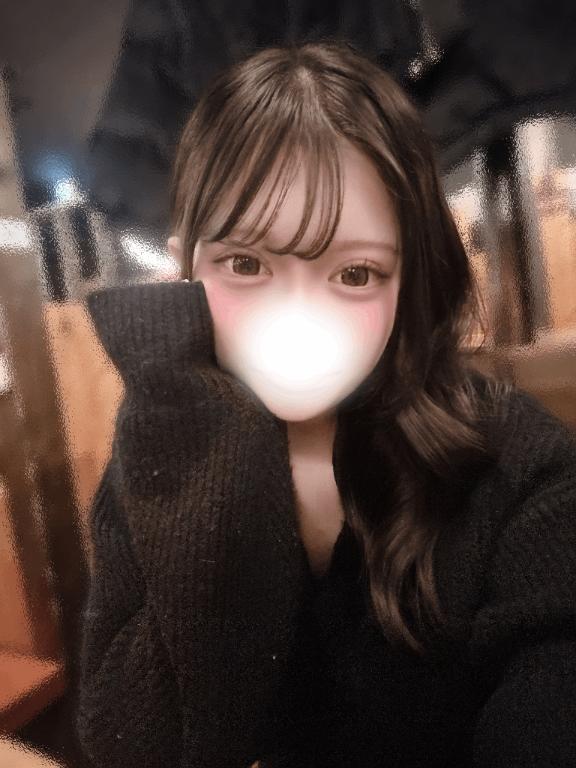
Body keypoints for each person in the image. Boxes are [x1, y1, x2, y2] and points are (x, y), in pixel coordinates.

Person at [76, 41, 576, 768]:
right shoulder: (161, 459)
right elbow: (139, 745)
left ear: (409, 278)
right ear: (185, 269)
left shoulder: (524, 470)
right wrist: (195, 416)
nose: (298, 317)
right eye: (245, 263)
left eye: (355, 273)